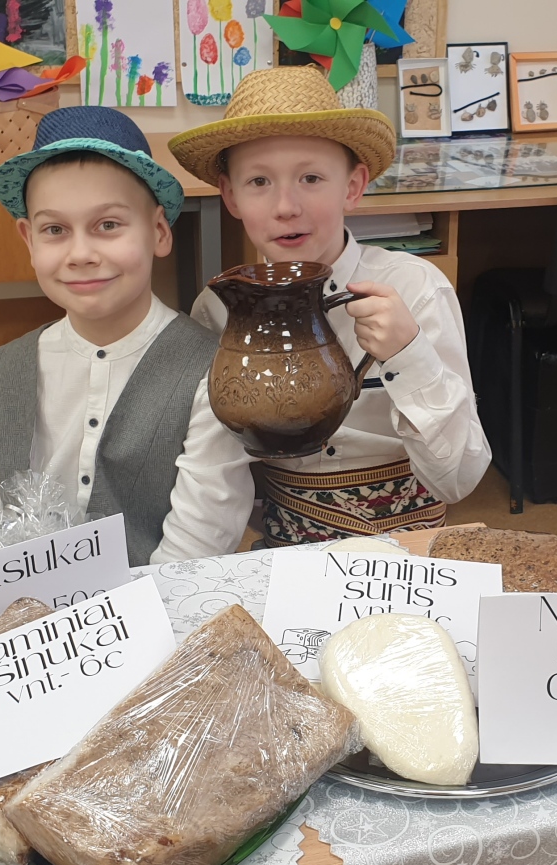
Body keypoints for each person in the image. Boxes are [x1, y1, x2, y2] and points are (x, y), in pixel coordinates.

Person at [168, 66, 490, 547]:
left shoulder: (416, 290)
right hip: (286, 548)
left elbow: (460, 478)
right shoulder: (218, 310)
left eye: (311, 177)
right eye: (258, 181)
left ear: (353, 186)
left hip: (408, 550)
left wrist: (410, 356)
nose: (285, 206)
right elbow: (218, 469)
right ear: (230, 196)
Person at [0, 106, 253, 565]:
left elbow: (200, 538)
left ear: (159, 232)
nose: (81, 253)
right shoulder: (4, 371)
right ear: (28, 240)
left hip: (161, 599)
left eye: (108, 225)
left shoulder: (210, 372)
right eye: (54, 230)